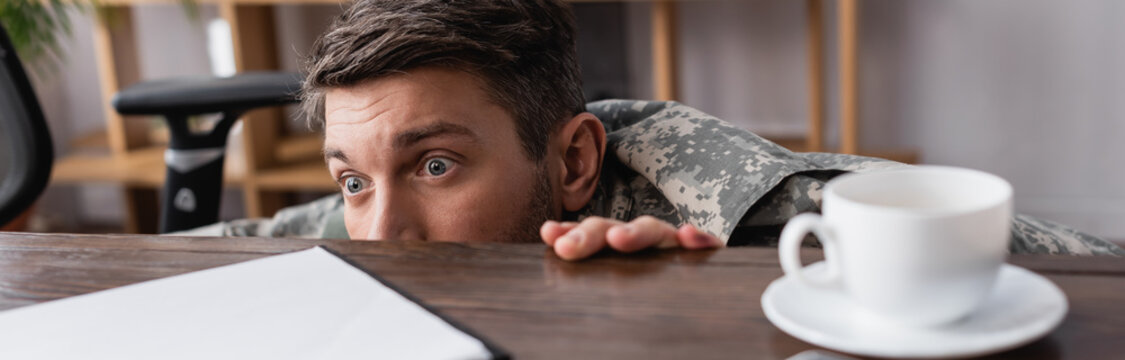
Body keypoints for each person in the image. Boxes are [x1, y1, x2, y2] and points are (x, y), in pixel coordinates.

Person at [180, 0, 1124, 258]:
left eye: (434, 165)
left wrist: (708, 306)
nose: (379, 233)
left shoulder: (781, 219)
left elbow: (1082, 278)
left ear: (575, 161)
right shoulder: (377, 221)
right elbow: (229, 250)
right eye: (352, 178)